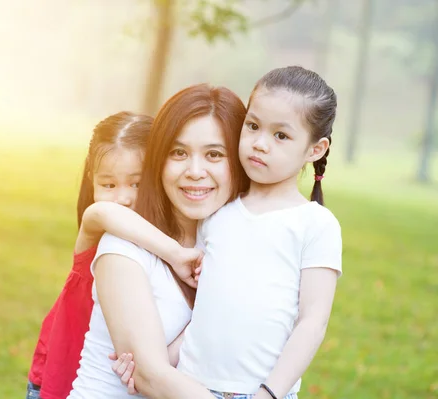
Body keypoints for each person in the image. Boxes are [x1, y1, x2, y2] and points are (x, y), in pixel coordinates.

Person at [112, 66, 343, 399]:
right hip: (189, 387)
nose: (260, 144)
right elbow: (206, 312)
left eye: (281, 135)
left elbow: (311, 323)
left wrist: (269, 393)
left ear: (315, 149)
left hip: (260, 393)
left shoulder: (315, 225)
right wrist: (153, 365)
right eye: (252, 126)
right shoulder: (218, 214)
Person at [68, 83, 249, 398]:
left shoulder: (227, 244)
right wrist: (153, 370)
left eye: (214, 154)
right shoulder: (122, 248)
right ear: (158, 161)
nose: (195, 171)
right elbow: (151, 379)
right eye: (179, 152)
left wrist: (162, 361)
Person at [26, 111, 200, 399]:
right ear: (91, 182)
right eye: (108, 185)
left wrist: (155, 364)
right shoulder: (103, 232)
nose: (123, 198)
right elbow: (101, 211)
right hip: (58, 375)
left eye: (137, 183)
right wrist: (175, 254)